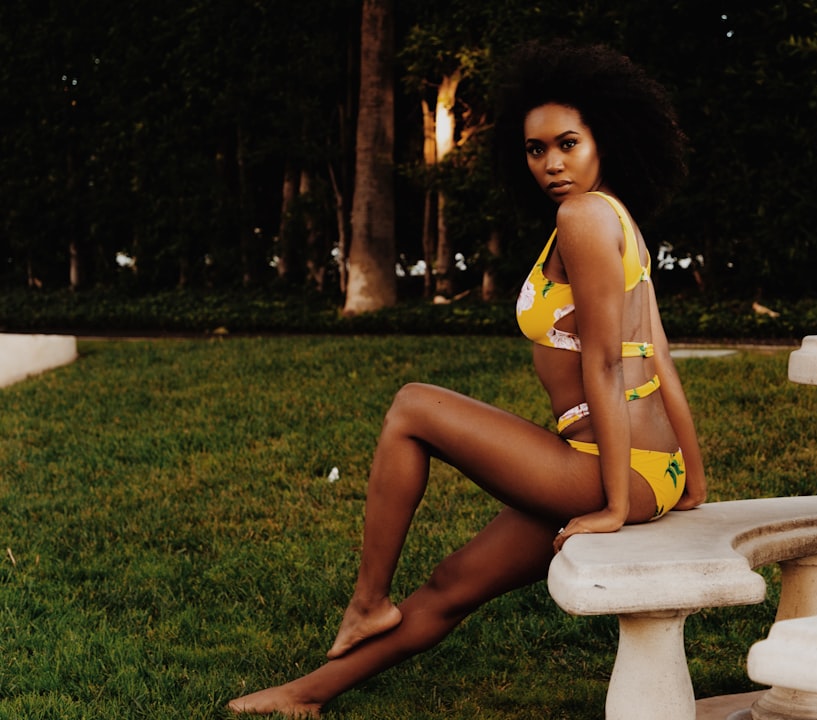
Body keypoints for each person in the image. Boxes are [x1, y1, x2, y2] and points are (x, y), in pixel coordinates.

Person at [227, 39, 706, 717]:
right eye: (537, 150)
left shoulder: (584, 217)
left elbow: (603, 363)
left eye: (567, 143)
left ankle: (367, 601)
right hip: (642, 469)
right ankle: (305, 696)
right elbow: (658, 354)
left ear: (605, 136)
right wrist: (691, 477)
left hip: (609, 470)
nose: (551, 164)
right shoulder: (616, 218)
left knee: (411, 407)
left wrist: (613, 508)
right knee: (456, 583)